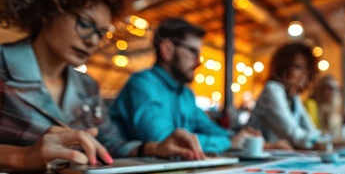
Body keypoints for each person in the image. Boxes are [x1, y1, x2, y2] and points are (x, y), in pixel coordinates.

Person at [0, 0, 204, 172]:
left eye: (101, 33)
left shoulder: (87, 86)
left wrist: (154, 148)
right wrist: (23, 156)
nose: (93, 42)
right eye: (85, 24)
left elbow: (109, 143)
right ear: (50, 9)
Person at [111, 18, 291, 154]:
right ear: (167, 50)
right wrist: (230, 143)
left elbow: (210, 128)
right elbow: (166, 141)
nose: (199, 62)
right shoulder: (142, 84)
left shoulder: (185, 94)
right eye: (192, 52)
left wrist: (244, 139)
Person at [248, 42, 327, 149]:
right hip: (255, 157)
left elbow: (310, 129)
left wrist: (322, 139)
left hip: (275, 157)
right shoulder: (272, 89)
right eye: (298, 67)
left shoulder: (293, 97)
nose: (305, 74)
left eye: (307, 68)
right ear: (282, 68)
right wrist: (323, 141)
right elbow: (293, 135)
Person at [304, 75, 343, 140]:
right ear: (320, 89)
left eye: (336, 89)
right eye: (329, 88)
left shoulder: (331, 109)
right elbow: (311, 132)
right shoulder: (311, 104)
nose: (333, 92)